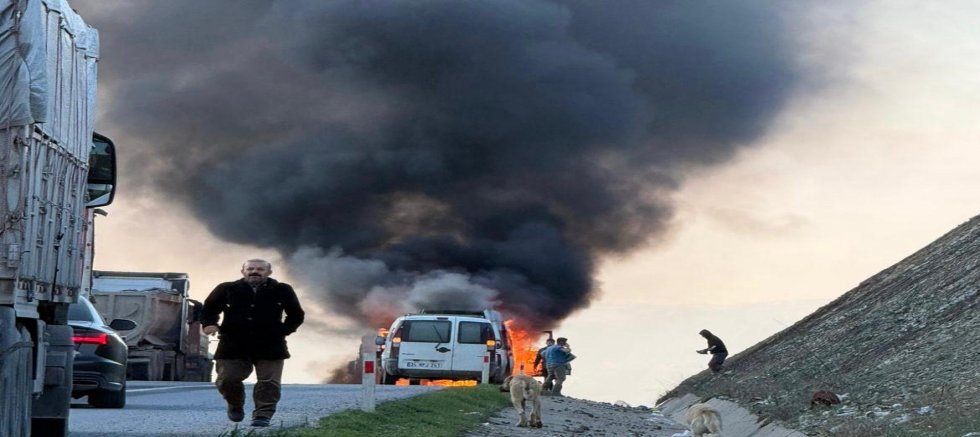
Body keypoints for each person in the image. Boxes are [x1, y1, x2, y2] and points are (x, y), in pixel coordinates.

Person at [202, 259, 305, 427]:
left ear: (269, 272)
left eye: (260, 269)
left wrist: (283, 330)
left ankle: (263, 415)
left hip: (270, 344)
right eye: (250, 268)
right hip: (233, 344)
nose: (254, 271)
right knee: (227, 379)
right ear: (243, 271)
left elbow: (296, 314)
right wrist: (209, 324)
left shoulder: (282, 290)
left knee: (269, 383)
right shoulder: (226, 289)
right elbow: (209, 309)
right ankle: (235, 404)